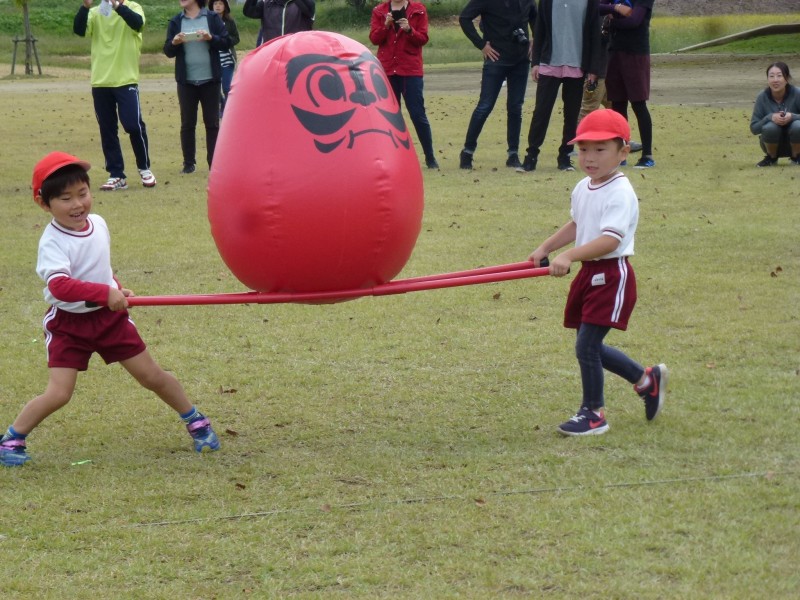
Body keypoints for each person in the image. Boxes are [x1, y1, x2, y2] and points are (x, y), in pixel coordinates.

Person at [0, 152, 220, 467]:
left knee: (151, 375)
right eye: (65, 198)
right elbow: (59, 285)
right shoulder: (52, 242)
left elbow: (99, 266)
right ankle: (12, 438)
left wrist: (115, 285)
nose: (78, 204)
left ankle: (197, 421)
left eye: (82, 194)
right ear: (44, 204)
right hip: (69, 325)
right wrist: (104, 292)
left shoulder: (99, 224)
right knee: (59, 393)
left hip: (109, 320)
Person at [528, 109, 667, 436]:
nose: (589, 158)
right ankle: (647, 380)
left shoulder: (620, 191)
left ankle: (593, 413)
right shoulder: (583, 186)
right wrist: (546, 248)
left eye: (600, 150)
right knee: (587, 344)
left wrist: (571, 255)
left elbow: (610, 240)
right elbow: (578, 223)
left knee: (587, 346)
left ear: (623, 152)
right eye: (583, 149)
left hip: (611, 274)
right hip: (589, 274)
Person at [73, 0, 156, 191]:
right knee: (107, 128)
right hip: (101, 80)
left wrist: (117, 6)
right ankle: (117, 174)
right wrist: (85, 7)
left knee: (133, 125)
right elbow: (79, 30)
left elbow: (137, 23)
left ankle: (144, 168)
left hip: (126, 79)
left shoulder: (134, 8)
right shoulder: (95, 12)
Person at [518, 0, 601, 173]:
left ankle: (565, 156)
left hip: (577, 64)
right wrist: (535, 63)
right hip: (549, 63)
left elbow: (594, 32)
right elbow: (539, 29)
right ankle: (531, 155)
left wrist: (594, 68)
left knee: (571, 114)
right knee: (541, 112)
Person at [458, 0, 537, 170]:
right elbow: (464, 18)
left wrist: (534, 39)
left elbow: (535, 18)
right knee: (485, 106)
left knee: (516, 107)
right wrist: (481, 45)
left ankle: (513, 154)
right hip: (496, 58)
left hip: (520, 59)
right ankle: (467, 151)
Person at [164, 0, 232, 174]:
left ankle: (214, 163)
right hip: (186, 81)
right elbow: (168, 51)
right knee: (187, 123)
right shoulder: (176, 21)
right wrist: (175, 42)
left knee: (212, 123)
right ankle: (188, 163)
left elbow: (226, 41)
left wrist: (211, 38)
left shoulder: (212, 18)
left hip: (211, 80)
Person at [369, 0, 438, 170]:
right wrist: (386, 25)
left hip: (410, 70)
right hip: (387, 70)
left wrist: (409, 29)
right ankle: (393, 158)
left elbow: (423, 39)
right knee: (390, 117)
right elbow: (374, 39)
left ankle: (430, 157)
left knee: (417, 114)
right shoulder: (380, 10)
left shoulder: (418, 10)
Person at [600, 0, 656, 169]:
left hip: (635, 53)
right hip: (615, 52)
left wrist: (611, 20)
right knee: (618, 105)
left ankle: (647, 155)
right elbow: (595, 7)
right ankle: (620, 154)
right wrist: (615, 8)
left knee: (638, 104)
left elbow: (634, 21)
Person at [750, 61, 800, 167]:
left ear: (787, 78)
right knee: (770, 127)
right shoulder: (762, 97)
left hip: (797, 141)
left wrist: (792, 117)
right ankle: (771, 158)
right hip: (770, 143)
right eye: (771, 76)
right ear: (767, 79)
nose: (775, 80)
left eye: (779, 76)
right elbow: (754, 128)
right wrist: (770, 117)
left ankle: (797, 158)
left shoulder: (797, 93)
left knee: (797, 125)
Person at [212, 0, 240, 117]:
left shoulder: (230, 21)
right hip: (213, 59)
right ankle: (224, 104)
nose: (218, 6)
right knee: (214, 88)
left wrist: (226, 42)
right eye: (215, 4)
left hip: (227, 58)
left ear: (225, 6)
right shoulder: (208, 21)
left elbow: (236, 38)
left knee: (227, 87)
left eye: (220, 4)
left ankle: (229, 113)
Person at [243, 0, 315, 44]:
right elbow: (248, 11)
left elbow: (309, 7)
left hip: (297, 56)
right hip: (271, 54)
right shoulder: (266, 4)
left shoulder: (305, 4)